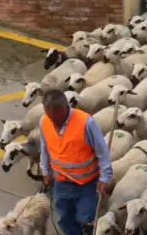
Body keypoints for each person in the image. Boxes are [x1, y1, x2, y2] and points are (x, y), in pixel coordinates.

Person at [39, 89, 113, 235]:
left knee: (86, 218)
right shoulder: (44, 121)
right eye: (50, 117)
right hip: (61, 181)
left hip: (86, 183)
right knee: (65, 217)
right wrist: (45, 171)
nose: (54, 122)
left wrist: (105, 177)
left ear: (66, 108)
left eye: (56, 117)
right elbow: (44, 147)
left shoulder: (86, 122)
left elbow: (102, 151)